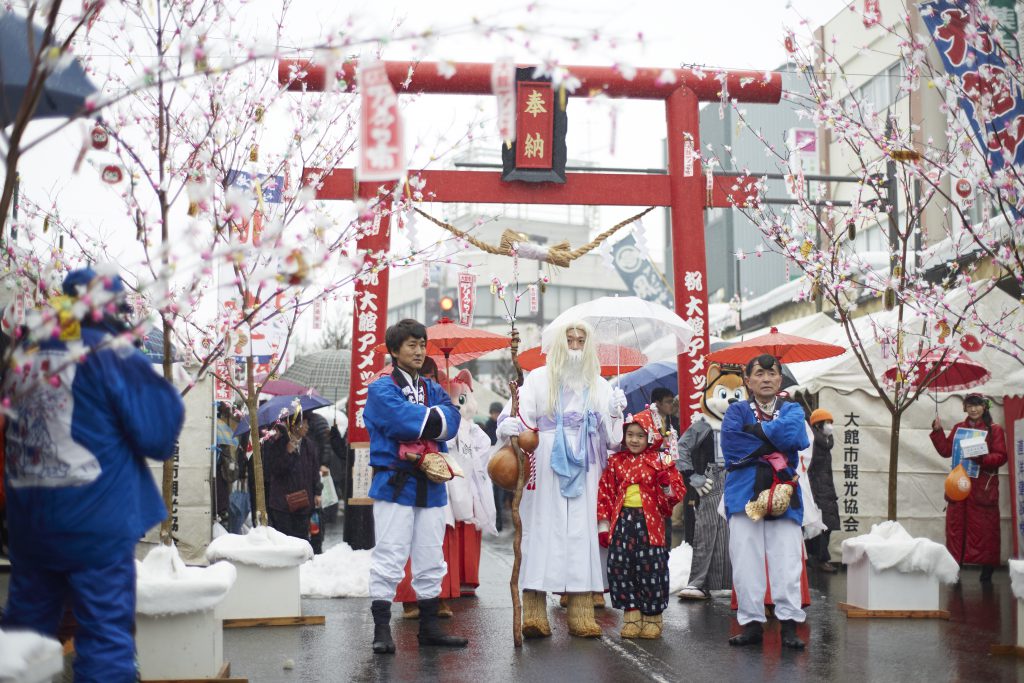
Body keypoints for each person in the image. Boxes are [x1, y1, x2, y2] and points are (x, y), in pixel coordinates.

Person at [2, 267, 185, 682]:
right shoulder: (110, 353)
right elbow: (157, 434)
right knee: (104, 636)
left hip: (31, 522)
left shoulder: (24, 356)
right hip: (96, 520)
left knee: (23, 636)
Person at [497, 320, 626, 638]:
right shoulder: (538, 379)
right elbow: (514, 416)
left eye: (582, 340)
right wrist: (510, 426)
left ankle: (581, 611)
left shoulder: (600, 384)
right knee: (541, 528)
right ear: (558, 343)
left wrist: (614, 412)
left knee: (582, 532)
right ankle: (534, 611)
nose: (576, 345)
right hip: (544, 461)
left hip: (586, 464)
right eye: (570, 339)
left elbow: (614, 441)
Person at [363, 319, 467, 654]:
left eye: (423, 344)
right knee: (391, 553)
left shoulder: (432, 387)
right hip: (395, 482)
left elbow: (452, 421)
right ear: (394, 350)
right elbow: (398, 421)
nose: (420, 351)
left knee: (430, 555)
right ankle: (381, 629)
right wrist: (428, 420)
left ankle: (430, 628)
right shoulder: (381, 388)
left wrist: (425, 420)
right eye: (411, 345)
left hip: (432, 482)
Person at [721, 354, 809, 650]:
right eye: (759, 373)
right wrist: (775, 440)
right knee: (746, 561)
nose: (766, 379)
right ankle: (752, 624)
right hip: (743, 492)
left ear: (780, 379)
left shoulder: (793, 408)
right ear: (748, 381)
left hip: (784, 492)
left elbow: (793, 434)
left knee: (787, 560)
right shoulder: (735, 412)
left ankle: (789, 626)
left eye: (772, 374)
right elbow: (732, 446)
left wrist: (757, 434)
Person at [597, 412, 685, 639]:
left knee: (651, 567)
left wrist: (666, 486)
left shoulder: (661, 460)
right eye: (630, 435)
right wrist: (604, 526)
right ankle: (632, 615)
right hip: (623, 521)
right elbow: (605, 493)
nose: (634, 440)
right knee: (620, 566)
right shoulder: (616, 462)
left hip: (651, 522)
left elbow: (675, 495)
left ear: (650, 437)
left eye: (640, 435)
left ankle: (653, 616)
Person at [677, 362, 745, 600]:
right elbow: (682, 449)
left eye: (737, 395)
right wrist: (692, 477)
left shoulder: (744, 424)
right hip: (711, 479)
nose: (730, 401)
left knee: (736, 532)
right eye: (723, 395)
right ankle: (698, 582)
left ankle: (733, 582)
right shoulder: (703, 425)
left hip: (738, 478)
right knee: (706, 530)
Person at [930, 394, 1007, 582]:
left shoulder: (994, 430)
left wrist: (981, 458)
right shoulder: (959, 428)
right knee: (957, 526)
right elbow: (946, 450)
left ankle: (987, 570)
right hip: (960, 484)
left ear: (985, 407)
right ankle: (955, 566)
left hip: (982, 488)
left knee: (985, 530)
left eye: (978, 405)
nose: (974, 409)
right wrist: (938, 432)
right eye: (970, 406)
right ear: (965, 408)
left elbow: (1001, 456)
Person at [263, 414, 323, 542]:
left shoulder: (309, 445)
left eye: (307, 423)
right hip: (282, 504)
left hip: (304, 502)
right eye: (303, 423)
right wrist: (287, 453)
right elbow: (274, 470)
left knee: (302, 540)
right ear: (293, 425)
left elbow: (314, 471)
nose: (307, 427)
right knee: (284, 540)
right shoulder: (278, 443)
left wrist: (317, 492)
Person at [806, 409, 839, 573]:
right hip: (817, 490)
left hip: (827, 490)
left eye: (831, 422)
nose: (830, 426)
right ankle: (818, 559)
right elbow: (809, 469)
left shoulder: (825, 444)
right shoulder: (813, 442)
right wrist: (812, 493)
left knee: (827, 525)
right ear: (818, 425)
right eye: (827, 422)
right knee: (820, 526)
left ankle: (816, 558)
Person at [484, 401, 510, 532]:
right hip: (489, 462)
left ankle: (499, 523)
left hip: (500, 463)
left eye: (498, 412)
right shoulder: (488, 426)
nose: (496, 415)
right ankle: (493, 522)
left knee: (499, 496)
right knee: (492, 496)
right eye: (494, 412)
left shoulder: (503, 425)